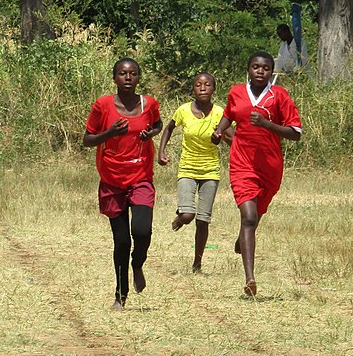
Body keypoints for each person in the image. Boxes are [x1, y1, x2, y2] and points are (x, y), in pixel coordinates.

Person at [212, 51, 302, 296]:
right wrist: (219, 132)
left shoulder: (279, 96)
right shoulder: (236, 92)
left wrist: (266, 124)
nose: (260, 71)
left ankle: (243, 237)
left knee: (255, 215)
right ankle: (250, 279)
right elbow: (228, 116)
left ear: (272, 72)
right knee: (249, 216)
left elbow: (295, 133)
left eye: (265, 68)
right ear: (248, 70)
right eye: (255, 67)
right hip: (242, 161)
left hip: (270, 166)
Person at [83, 58, 163, 310]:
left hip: (140, 177)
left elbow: (158, 124)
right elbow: (88, 139)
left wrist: (151, 133)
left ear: (139, 77)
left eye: (133, 73)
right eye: (122, 73)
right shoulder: (103, 105)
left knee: (142, 231)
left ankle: (138, 263)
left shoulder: (148, 103)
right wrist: (110, 134)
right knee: (121, 241)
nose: (128, 77)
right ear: (114, 77)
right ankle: (120, 294)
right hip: (112, 180)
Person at [157, 72, 234, 274]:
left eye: (207, 85)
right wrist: (161, 151)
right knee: (189, 215)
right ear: (193, 89)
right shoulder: (183, 110)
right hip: (187, 168)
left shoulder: (220, 113)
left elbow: (233, 139)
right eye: (198, 85)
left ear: (213, 90)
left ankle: (197, 264)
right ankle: (181, 216)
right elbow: (168, 129)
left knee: (203, 220)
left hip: (210, 171)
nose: (202, 88)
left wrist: (221, 137)